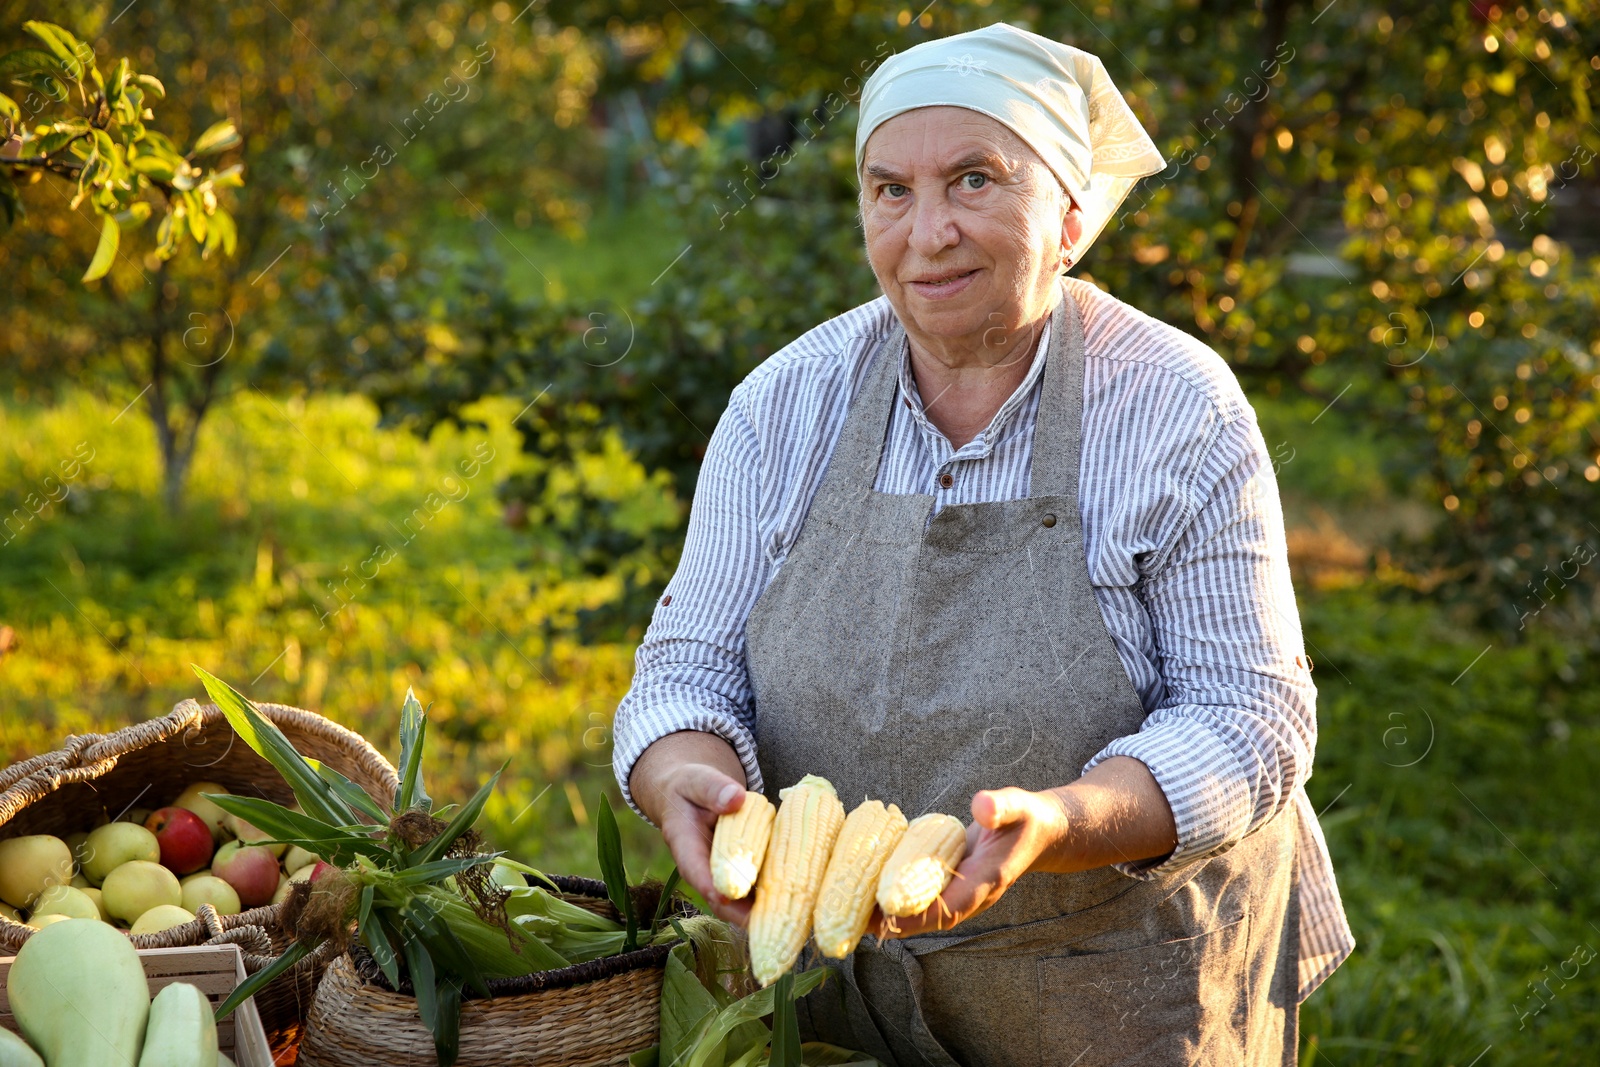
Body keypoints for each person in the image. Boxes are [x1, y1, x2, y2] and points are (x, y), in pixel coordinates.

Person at [613, 22, 1353, 1066]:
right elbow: (686, 666)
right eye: (889, 189)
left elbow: (1250, 717)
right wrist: (678, 767)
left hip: (1109, 984)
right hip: (837, 980)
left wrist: (1060, 819)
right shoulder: (784, 403)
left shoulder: (1177, 409)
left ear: (1070, 214)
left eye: (973, 180)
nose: (926, 233)